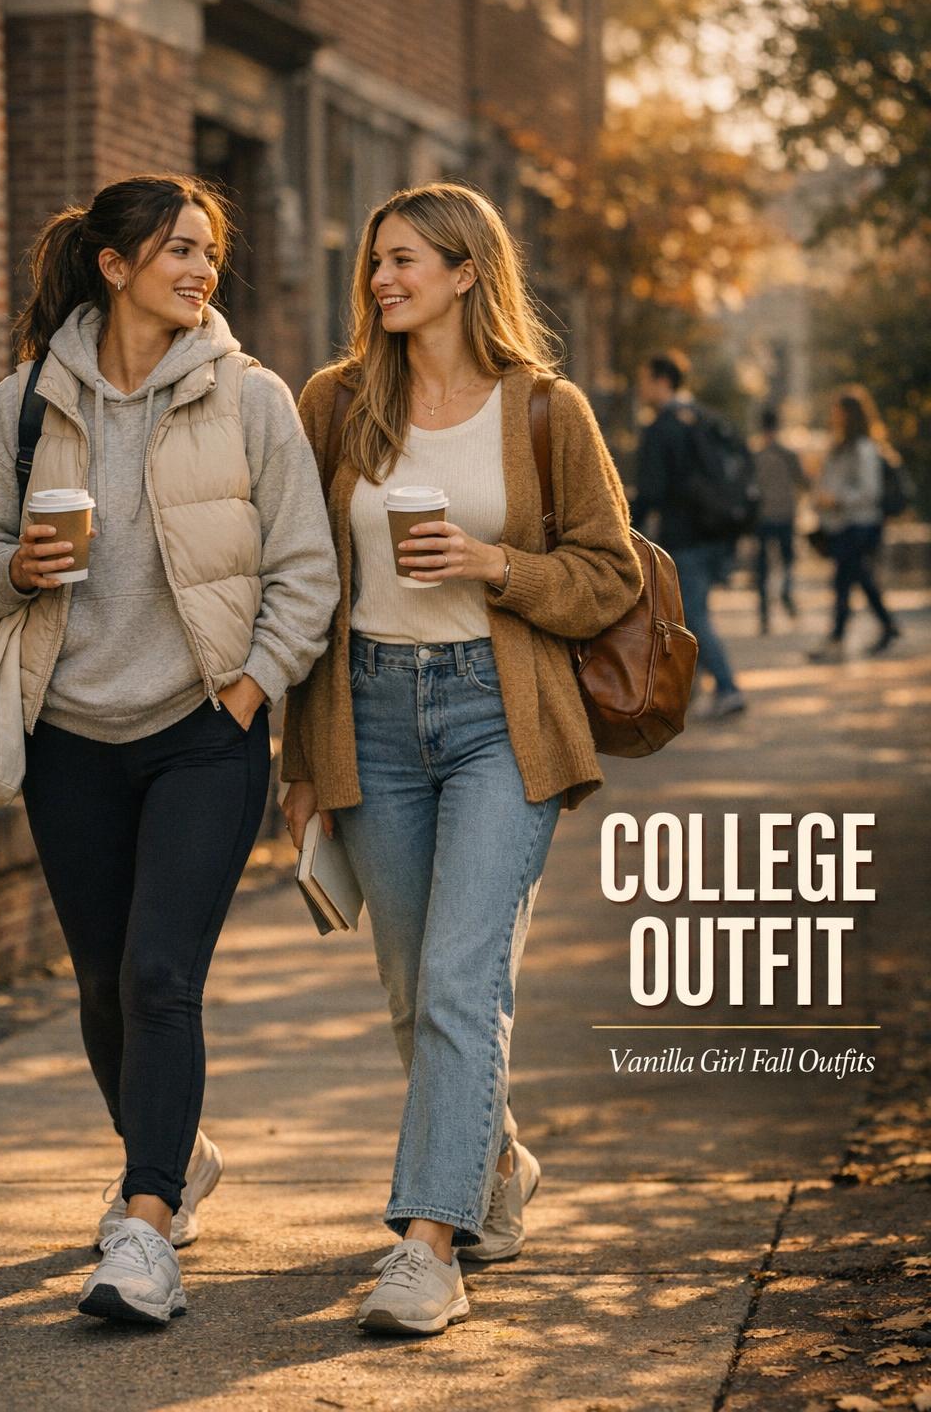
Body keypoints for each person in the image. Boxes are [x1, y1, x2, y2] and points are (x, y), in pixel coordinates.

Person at [0, 173, 338, 1324]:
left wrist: (252, 689)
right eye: (177, 249)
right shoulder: (25, 402)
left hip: (201, 735)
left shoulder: (249, 398)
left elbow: (304, 567)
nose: (201, 268)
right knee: (105, 987)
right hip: (68, 736)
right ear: (114, 267)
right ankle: (175, 1156)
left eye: (209, 251)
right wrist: (11, 569)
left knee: (164, 977)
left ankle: (146, 1226)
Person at [281, 182, 642, 1337]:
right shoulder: (335, 403)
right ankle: (496, 1165)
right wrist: (300, 764)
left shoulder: (546, 410)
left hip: (503, 716)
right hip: (370, 715)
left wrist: (495, 564)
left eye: (403, 260)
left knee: (458, 978)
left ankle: (428, 1246)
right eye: (374, 260)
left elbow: (610, 576)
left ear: (465, 271)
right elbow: (304, 584)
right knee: (412, 990)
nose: (381, 277)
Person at [631, 353, 746, 719]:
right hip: (716, 531)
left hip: (683, 537)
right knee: (690, 613)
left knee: (692, 616)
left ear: (662, 380)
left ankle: (728, 689)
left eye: (645, 379)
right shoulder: (705, 419)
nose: (641, 387)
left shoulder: (662, 428)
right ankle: (689, 691)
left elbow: (651, 490)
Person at [808, 387, 900, 661]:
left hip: (860, 525)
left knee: (845, 580)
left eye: (839, 411)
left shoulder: (864, 448)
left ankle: (838, 637)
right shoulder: (839, 446)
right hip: (841, 525)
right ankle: (886, 625)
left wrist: (837, 499)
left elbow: (869, 491)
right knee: (856, 578)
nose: (834, 416)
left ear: (850, 414)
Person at [753, 406, 807, 633]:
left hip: (762, 516)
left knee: (763, 568)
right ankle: (786, 593)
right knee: (787, 562)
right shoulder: (789, 455)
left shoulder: (755, 456)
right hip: (785, 515)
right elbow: (803, 482)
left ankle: (765, 615)